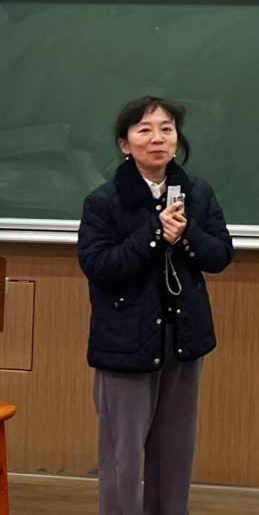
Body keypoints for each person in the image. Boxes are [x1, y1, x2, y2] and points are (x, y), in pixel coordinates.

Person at [76, 96, 234, 515]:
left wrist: (185, 235)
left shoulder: (197, 193)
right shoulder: (104, 201)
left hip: (183, 340)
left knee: (175, 452)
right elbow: (99, 266)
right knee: (123, 456)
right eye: (144, 130)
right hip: (125, 343)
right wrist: (154, 234)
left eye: (166, 129)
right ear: (125, 144)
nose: (157, 139)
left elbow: (220, 255)